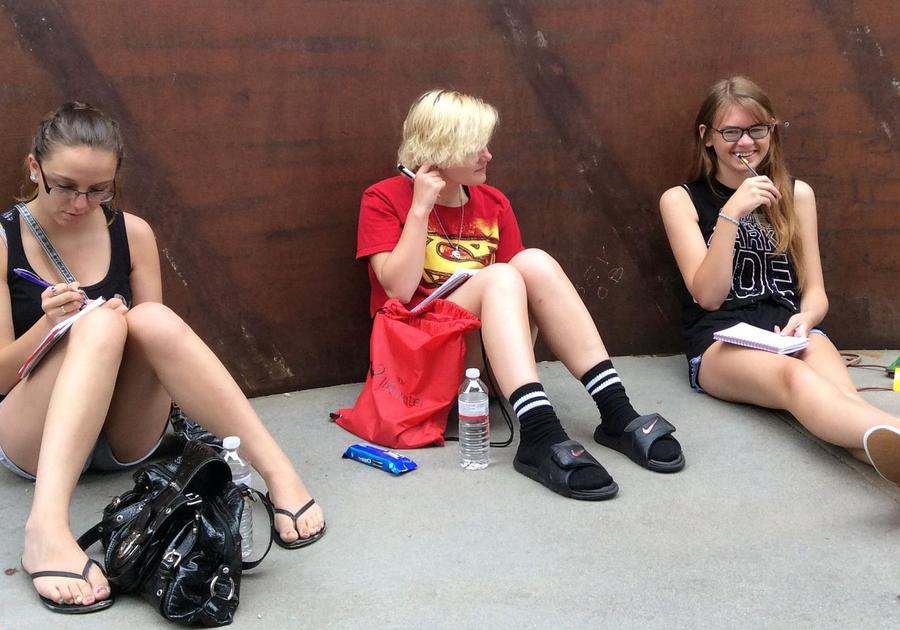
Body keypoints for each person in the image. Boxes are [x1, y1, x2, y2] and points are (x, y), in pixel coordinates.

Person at [0, 102, 325, 614]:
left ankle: (279, 473)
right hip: (33, 441)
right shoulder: (3, 240)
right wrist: (50, 325)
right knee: (101, 322)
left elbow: (162, 350)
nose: (80, 203)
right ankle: (45, 527)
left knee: (148, 318)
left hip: (125, 435)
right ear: (33, 167)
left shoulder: (132, 233)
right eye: (63, 185)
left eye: (98, 189)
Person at [357, 89, 685, 501]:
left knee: (533, 262)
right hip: (417, 364)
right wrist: (420, 208)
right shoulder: (383, 198)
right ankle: (538, 433)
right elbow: (398, 290)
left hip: (481, 367)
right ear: (439, 148)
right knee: (500, 277)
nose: (488, 155)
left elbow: (524, 292)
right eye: (475, 146)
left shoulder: (493, 203)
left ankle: (617, 411)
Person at [658, 76, 900, 485]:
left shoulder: (796, 194)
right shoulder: (680, 200)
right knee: (797, 380)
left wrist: (807, 320)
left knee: (844, 401)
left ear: (771, 131)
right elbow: (709, 297)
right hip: (720, 342)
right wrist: (731, 214)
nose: (745, 143)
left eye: (757, 130)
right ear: (707, 137)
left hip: (790, 330)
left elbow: (815, 292)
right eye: (731, 131)